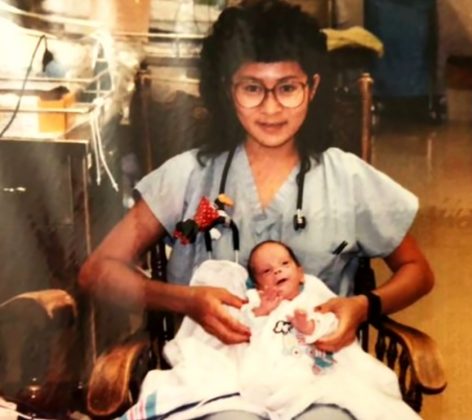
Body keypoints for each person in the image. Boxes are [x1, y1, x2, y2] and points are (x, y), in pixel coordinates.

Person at [79, 1, 434, 418]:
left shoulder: (348, 179)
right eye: (252, 88)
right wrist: (186, 301)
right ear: (227, 90)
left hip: (319, 376)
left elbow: (418, 271)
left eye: (287, 87)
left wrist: (363, 307)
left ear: (313, 87)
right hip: (218, 376)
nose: (270, 108)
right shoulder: (189, 176)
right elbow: (98, 271)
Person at [121, 244, 420, 420]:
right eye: (265, 271)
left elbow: (332, 325)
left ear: (301, 272)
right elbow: (242, 328)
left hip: (311, 379)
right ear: (256, 284)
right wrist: (261, 311)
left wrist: (310, 326)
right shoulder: (253, 301)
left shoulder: (314, 296)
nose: (276, 271)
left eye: (284, 264)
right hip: (255, 383)